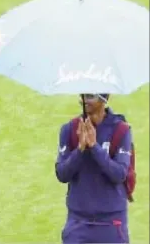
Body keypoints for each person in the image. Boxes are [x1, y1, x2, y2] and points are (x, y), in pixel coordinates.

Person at [55, 94, 134, 243]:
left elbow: (119, 174)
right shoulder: (69, 129)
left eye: (91, 96)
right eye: (83, 95)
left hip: (111, 225)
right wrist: (80, 149)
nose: (84, 100)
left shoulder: (121, 130)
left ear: (104, 98)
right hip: (78, 224)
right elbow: (62, 174)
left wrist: (94, 147)